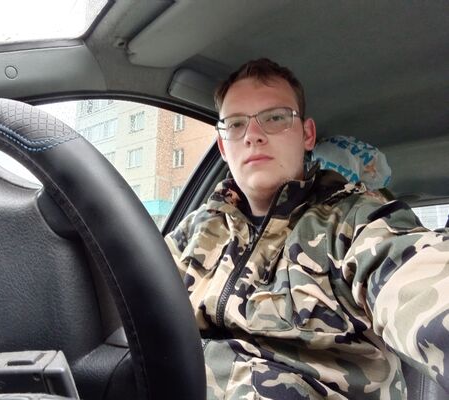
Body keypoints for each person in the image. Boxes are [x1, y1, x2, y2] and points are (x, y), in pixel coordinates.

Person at [165, 58, 449, 399]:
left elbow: (418, 277)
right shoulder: (194, 231)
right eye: (236, 124)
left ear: (307, 134)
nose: (252, 135)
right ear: (223, 147)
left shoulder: (355, 222)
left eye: (275, 118)